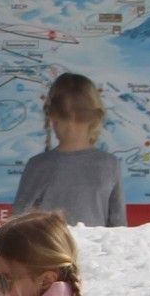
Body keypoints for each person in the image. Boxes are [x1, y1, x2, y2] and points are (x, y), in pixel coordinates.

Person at [11, 72, 125, 227]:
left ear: (52, 116)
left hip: (50, 250)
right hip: (95, 250)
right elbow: (119, 226)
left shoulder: (38, 165)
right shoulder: (110, 164)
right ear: (96, 115)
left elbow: (18, 223)